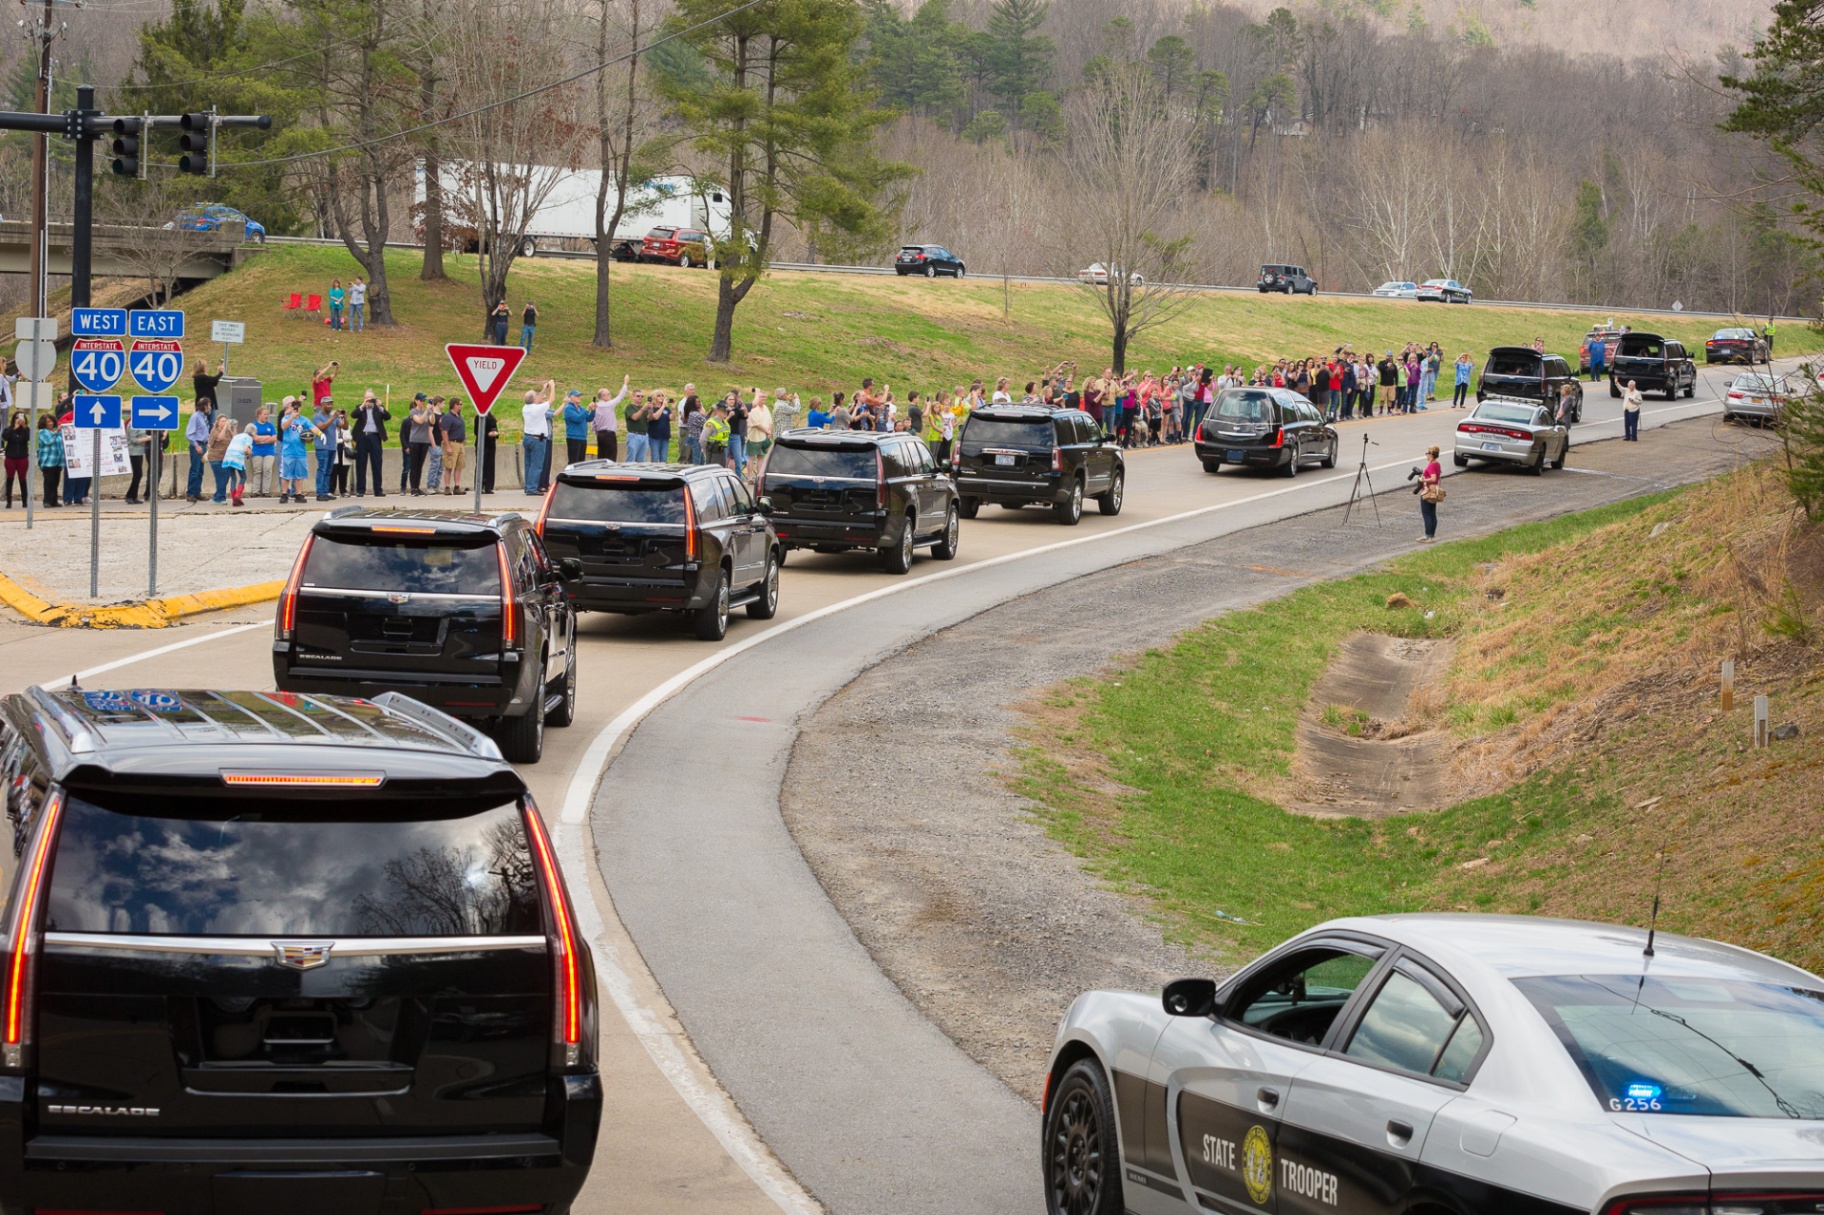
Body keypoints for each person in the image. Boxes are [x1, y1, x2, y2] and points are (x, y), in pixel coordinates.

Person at [277, 398, 316, 503]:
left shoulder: (304, 420)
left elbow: (313, 428)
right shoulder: (285, 418)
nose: (296, 409)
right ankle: (284, 493)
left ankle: (298, 494)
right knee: (285, 474)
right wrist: (291, 417)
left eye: (298, 407)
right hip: (288, 451)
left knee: (300, 474)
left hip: (300, 451)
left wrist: (321, 434)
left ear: (300, 408)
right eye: (294, 407)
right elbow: (284, 427)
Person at [353, 391, 389, 497]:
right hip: (362, 437)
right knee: (361, 464)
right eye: (367, 399)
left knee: (377, 464)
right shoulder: (360, 407)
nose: (369, 401)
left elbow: (388, 417)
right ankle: (360, 490)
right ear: (364, 399)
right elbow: (353, 415)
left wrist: (380, 407)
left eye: (371, 399)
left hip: (375, 437)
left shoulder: (377, 408)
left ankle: (378, 490)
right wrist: (363, 405)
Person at [521, 382, 553, 494]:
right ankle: (532, 488)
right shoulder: (538, 409)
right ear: (534, 399)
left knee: (529, 464)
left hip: (527, 438)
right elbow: (551, 400)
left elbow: (537, 399)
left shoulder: (525, 408)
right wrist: (552, 387)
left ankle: (528, 486)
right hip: (538, 439)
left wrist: (544, 389)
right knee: (537, 464)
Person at [184, 396, 215, 502]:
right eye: (209, 405)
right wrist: (196, 445)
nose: (210, 407)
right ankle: (190, 492)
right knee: (195, 470)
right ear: (205, 406)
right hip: (196, 446)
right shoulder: (195, 417)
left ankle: (197, 491)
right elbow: (189, 433)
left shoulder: (204, 417)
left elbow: (203, 432)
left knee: (200, 471)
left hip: (203, 444)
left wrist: (207, 443)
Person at [594, 376, 628, 461]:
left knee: (601, 457)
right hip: (609, 434)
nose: (610, 395)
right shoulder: (609, 405)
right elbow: (620, 396)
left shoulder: (596, 406)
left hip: (600, 434)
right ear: (603, 396)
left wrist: (596, 432)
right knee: (611, 457)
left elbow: (593, 423)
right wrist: (625, 383)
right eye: (608, 394)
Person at [405, 396, 434, 495]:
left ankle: (417, 487)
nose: (422, 402)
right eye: (421, 400)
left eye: (424, 401)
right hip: (415, 440)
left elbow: (432, 422)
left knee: (420, 465)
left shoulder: (428, 412)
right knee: (414, 465)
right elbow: (420, 421)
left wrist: (432, 411)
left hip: (424, 440)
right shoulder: (413, 412)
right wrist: (426, 410)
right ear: (416, 401)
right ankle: (413, 488)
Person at [440, 397, 467, 495]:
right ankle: (447, 487)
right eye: (460, 404)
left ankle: (457, 486)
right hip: (452, 443)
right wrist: (447, 446)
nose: (461, 406)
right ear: (455, 405)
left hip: (460, 443)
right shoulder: (448, 417)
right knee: (449, 466)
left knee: (459, 466)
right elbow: (444, 432)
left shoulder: (458, 416)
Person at [222, 423, 254, 507]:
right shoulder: (249, 438)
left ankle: (234, 500)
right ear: (253, 432)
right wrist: (249, 452)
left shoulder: (237, 436)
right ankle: (238, 495)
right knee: (243, 476)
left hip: (228, 457)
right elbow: (245, 449)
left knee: (233, 478)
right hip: (237, 458)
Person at [249, 405, 278, 496]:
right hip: (257, 451)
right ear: (259, 415)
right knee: (257, 471)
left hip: (269, 451)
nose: (266, 416)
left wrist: (262, 440)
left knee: (267, 469)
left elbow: (274, 438)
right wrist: (267, 437)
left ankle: (266, 491)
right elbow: (255, 439)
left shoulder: (270, 425)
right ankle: (256, 491)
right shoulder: (254, 426)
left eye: (267, 414)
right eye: (264, 414)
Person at [35, 413, 62, 508]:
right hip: (48, 461)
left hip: (58, 461)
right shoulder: (43, 432)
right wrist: (56, 432)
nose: (50, 423)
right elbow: (48, 442)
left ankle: (54, 500)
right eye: (47, 422)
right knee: (48, 481)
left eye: (51, 421)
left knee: (56, 481)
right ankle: (47, 500)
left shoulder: (57, 431)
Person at [1417, 444, 1443, 543]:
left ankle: (1428, 536)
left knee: (1426, 513)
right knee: (1432, 514)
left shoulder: (1432, 465)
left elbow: (1433, 478)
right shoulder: (1437, 464)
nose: (1426, 455)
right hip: (1434, 490)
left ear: (1431, 455)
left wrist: (1422, 479)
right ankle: (1431, 534)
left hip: (1428, 491)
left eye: (1427, 453)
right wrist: (1424, 471)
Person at [3, 411, 28, 508]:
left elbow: (29, 437)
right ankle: (9, 501)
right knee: (10, 478)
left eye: (21, 417)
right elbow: (5, 437)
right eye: (17, 417)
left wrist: (24, 426)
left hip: (22, 457)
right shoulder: (9, 429)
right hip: (11, 457)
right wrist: (14, 428)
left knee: (22, 479)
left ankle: (24, 501)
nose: (19, 419)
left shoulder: (25, 430)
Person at [561, 389, 591, 468]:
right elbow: (577, 419)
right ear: (571, 398)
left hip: (582, 438)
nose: (579, 397)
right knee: (573, 461)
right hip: (573, 438)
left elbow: (588, 418)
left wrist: (593, 411)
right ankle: (571, 478)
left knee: (581, 462)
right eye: (577, 396)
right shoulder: (568, 408)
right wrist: (587, 409)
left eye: (579, 396)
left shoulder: (581, 408)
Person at [745, 391, 773, 476]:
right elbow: (756, 424)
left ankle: (758, 476)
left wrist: (769, 432)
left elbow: (770, 422)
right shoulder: (753, 409)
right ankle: (750, 477)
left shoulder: (766, 408)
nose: (764, 398)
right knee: (751, 457)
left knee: (760, 457)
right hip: (753, 437)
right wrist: (767, 431)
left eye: (765, 397)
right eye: (761, 397)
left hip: (763, 437)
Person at [702, 401, 732, 468]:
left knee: (721, 471)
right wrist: (705, 450)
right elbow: (703, 438)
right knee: (712, 470)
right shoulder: (711, 423)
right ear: (717, 410)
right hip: (713, 451)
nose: (725, 412)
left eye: (726, 411)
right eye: (723, 411)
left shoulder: (725, 423)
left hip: (722, 451)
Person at [624, 391, 651, 462]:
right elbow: (634, 417)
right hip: (634, 435)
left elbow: (650, 418)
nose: (640, 398)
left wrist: (651, 410)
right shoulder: (630, 407)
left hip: (644, 435)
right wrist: (643, 409)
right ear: (633, 397)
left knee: (641, 460)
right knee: (631, 458)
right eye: (638, 396)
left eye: (642, 396)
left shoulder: (644, 408)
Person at [648, 392, 673, 462]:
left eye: (662, 395)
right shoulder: (651, 408)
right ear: (654, 398)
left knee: (664, 458)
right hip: (654, 437)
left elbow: (672, 418)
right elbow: (655, 417)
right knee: (655, 457)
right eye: (659, 396)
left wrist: (673, 409)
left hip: (665, 436)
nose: (661, 397)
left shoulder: (667, 409)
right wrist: (663, 406)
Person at [479, 409, 500, 493]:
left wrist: (496, 433)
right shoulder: (479, 417)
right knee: (482, 465)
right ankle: (480, 485)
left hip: (491, 444)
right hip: (483, 444)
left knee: (491, 465)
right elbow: (477, 431)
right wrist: (488, 434)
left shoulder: (491, 418)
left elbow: (496, 428)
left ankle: (488, 486)